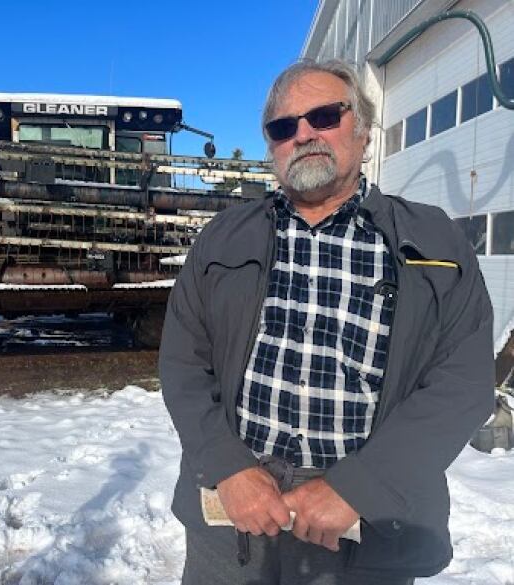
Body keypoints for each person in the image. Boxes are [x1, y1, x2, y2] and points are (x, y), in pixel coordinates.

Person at [159, 59, 495, 585]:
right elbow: (183, 365)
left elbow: (465, 384)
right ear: (272, 146)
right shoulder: (223, 238)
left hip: (364, 522)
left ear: (362, 133)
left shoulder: (435, 241)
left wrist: (358, 488)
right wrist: (227, 468)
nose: (304, 134)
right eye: (283, 126)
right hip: (235, 512)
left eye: (323, 116)